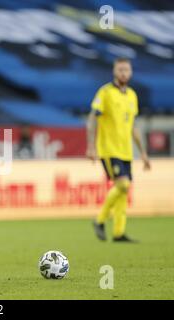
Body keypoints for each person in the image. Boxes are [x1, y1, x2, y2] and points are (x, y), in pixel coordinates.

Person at [86, 57, 151, 242]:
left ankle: (118, 232)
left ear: (130, 73)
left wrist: (144, 153)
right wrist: (91, 146)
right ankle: (99, 220)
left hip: (126, 151)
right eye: (120, 69)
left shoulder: (132, 95)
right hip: (108, 149)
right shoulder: (105, 92)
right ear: (115, 72)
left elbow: (133, 127)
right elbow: (92, 118)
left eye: (127, 70)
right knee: (123, 185)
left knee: (123, 190)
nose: (124, 73)